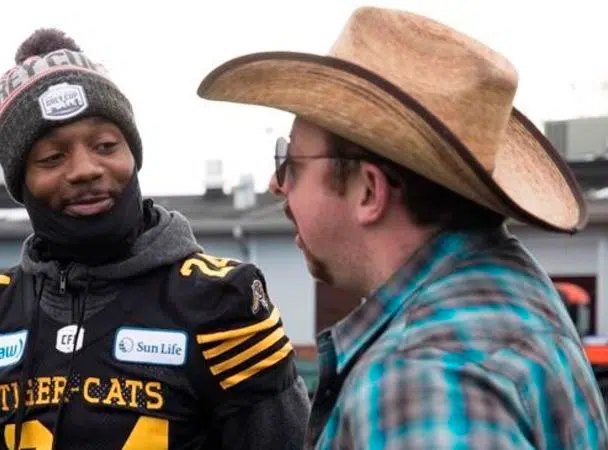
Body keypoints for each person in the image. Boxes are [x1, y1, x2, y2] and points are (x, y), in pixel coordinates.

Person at [197, 6, 608, 450]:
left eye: (291, 163)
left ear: (369, 191)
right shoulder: (516, 295)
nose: (276, 185)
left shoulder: (418, 382)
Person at [0, 28, 309, 450]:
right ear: (19, 180)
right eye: (52, 157)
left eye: (105, 145)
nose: (85, 169)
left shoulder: (221, 302)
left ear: (133, 155)